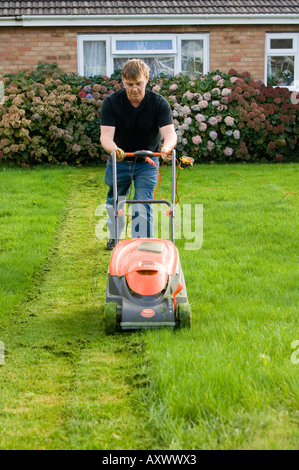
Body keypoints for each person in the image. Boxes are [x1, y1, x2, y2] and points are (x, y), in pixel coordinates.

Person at [100, 59, 177, 250]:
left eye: (139, 84)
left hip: (147, 162)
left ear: (147, 79)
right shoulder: (112, 103)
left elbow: (169, 134)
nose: (134, 89)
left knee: (142, 203)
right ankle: (114, 237)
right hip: (120, 161)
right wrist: (114, 150)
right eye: (129, 85)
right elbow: (106, 137)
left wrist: (167, 149)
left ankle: (140, 244)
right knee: (115, 201)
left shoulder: (158, 103)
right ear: (123, 82)